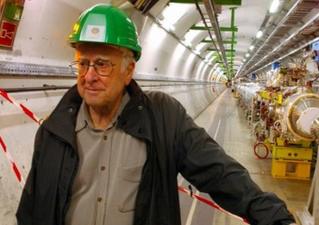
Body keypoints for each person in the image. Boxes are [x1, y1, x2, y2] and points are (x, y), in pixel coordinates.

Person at [16, 4, 297, 225]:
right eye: (83, 63)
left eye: (102, 64)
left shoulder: (162, 118)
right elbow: (30, 210)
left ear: (129, 70)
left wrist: (270, 213)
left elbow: (218, 171)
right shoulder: (54, 130)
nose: (89, 76)